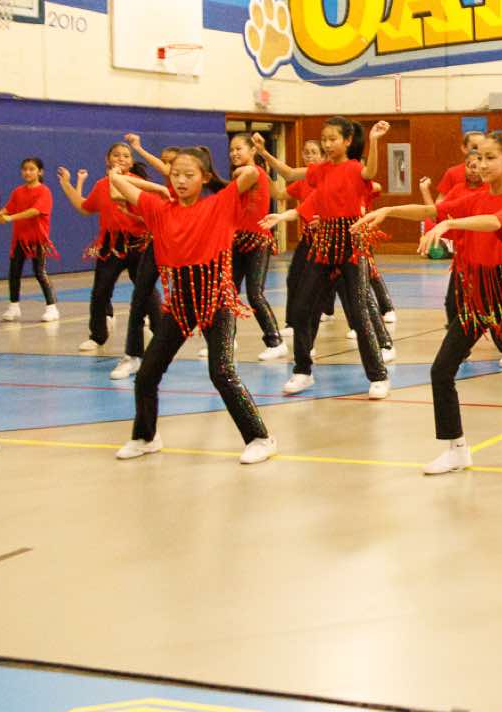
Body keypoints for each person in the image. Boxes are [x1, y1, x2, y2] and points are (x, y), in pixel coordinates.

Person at [361, 133, 502, 482]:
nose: (481, 165)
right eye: (478, 158)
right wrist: (389, 210)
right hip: (474, 299)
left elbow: (494, 222)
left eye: (490, 158)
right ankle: (456, 449)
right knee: (441, 370)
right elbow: (431, 211)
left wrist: (451, 223)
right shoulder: (471, 196)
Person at [106, 147, 276, 463]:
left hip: (216, 299)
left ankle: (260, 437)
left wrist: (243, 169)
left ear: (205, 177)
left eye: (189, 175)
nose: (181, 181)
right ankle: (145, 436)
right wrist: (130, 179)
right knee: (147, 374)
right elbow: (120, 184)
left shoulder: (220, 204)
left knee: (221, 372)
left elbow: (252, 174)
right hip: (180, 303)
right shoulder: (159, 210)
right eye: (175, 175)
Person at [261, 118, 392, 398]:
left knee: (359, 312)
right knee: (301, 308)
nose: (328, 144)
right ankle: (302, 371)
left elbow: (371, 171)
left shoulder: (355, 168)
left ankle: (379, 375)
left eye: (333, 139)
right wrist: (263, 154)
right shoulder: (320, 171)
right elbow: (295, 180)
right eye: (325, 139)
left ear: (347, 141)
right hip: (324, 242)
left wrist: (374, 140)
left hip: (351, 242)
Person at [58, 142, 156, 378]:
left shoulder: (137, 183)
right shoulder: (101, 185)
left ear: (131, 162)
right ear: (107, 159)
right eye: (116, 155)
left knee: (147, 290)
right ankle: (98, 335)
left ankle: (159, 330)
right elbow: (84, 207)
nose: (121, 158)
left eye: (126, 155)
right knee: (100, 290)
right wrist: (67, 184)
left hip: (138, 243)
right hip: (111, 244)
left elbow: (149, 212)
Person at [226, 132, 288, 362]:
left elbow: (245, 174)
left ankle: (275, 341)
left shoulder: (253, 172)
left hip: (257, 242)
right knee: (228, 292)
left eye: (238, 149)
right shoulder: (247, 174)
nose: (234, 153)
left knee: (255, 294)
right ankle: (226, 339)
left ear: (252, 150)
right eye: (231, 150)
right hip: (237, 240)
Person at [0, 157, 58, 323]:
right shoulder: (18, 191)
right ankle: (14, 306)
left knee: (39, 272)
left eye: (31, 169)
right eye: (25, 169)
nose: (27, 172)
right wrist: (0, 213)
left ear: (40, 172)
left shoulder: (44, 191)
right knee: (14, 272)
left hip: (38, 239)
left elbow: (35, 211)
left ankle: (52, 307)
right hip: (20, 239)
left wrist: (10, 218)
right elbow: (9, 208)